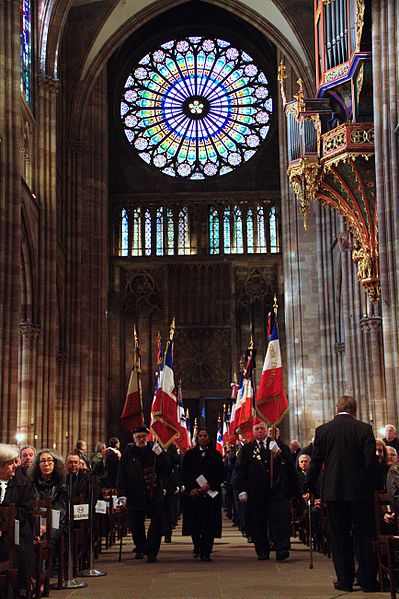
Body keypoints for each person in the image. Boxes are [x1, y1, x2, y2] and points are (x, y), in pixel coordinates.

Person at [306, 395, 382, 593]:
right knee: (365, 536)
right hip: (360, 493)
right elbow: (370, 462)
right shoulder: (364, 429)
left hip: (334, 492)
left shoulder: (323, 430)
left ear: (336, 408)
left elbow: (315, 463)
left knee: (339, 537)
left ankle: (345, 581)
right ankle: (367, 581)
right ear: (354, 410)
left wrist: (308, 486)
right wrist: (377, 485)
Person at [236, 419, 298, 561]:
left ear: (267, 430)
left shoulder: (277, 445)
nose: (259, 431)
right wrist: (242, 489)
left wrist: (279, 453)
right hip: (256, 492)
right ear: (252, 432)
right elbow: (242, 471)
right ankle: (262, 549)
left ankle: (282, 548)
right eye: (257, 429)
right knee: (259, 522)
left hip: (275, 490)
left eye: (262, 429)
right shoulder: (247, 449)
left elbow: (289, 465)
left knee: (279, 521)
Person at [116, 425, 171, 563]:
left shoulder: (154, 450)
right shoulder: (128, 453)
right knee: (136, 523)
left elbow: (167, 469)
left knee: (156, 522)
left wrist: (161, 454)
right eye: (138, 437)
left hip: (154, 492)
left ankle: (152, 551)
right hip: (134, 493)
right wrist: (121, 494)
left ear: (148, 437)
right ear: (134, 439)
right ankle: (141, 547)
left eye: (143, 437)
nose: (141, 439)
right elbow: (121, 474)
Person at [181, 428, 224, 561]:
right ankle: (197, 546)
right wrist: (190, 488)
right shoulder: (189, 455)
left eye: (205, 435)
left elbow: (221, 473)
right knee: (195, 524)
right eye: (200, 436)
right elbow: (184, 474)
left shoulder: (216, 455)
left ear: (209, 438)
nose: (203, 438)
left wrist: (210, 485)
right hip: (194, 495)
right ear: (197, 438)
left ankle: (206, 551)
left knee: (209, 524)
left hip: (210, 494)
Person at [0, 443, 34, 594]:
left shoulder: (23, 483)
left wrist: (3, 526)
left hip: (16, 529)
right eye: (11, 462)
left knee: (14, 547)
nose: (16, 466)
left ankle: (16, 586)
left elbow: (25, 510)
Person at [29, 448, 68, 545]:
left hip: (56, 521)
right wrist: (37, 524)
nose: (46, 464)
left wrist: (46, 525)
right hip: (36, 519)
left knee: (49, 536)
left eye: (49, 460)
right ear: (38, 465)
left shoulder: (61, 485)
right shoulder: (32, 483)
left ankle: (47, 559)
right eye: (43, 461)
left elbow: (60, 509)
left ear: (55, 463)